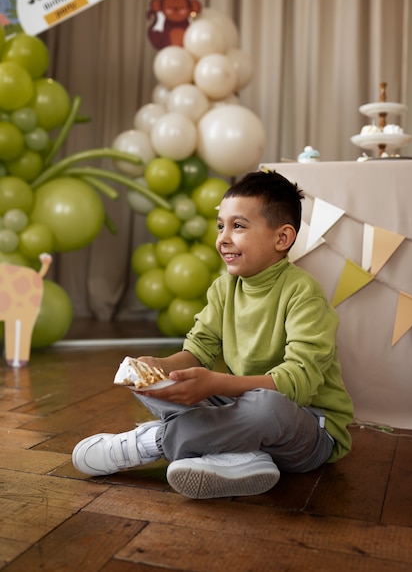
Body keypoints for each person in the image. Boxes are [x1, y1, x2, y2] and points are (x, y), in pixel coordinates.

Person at [72, 170, 354, 499]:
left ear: (282, 238)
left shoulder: (304, 294)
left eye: (238, 226)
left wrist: (215, 383)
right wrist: (159, 367)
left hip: (307, 427)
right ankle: (239, 455)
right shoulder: (223, 288)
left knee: (266, 407)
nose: (223, 238)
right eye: (221, 225)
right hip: (243, 406)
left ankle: (154, 442)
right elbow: (198, 350)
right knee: (152, 385)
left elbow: (297, 385)